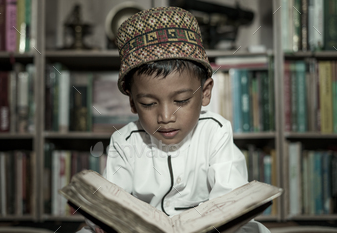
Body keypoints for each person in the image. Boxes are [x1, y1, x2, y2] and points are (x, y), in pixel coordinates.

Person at [77, 6, 271, 233]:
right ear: (132, 102)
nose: (166, 117)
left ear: (205, 92)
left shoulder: (216, 131)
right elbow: (111, 202)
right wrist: (102, 219)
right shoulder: (125, 141)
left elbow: (230, 199)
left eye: (181, 100)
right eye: (148, 104)